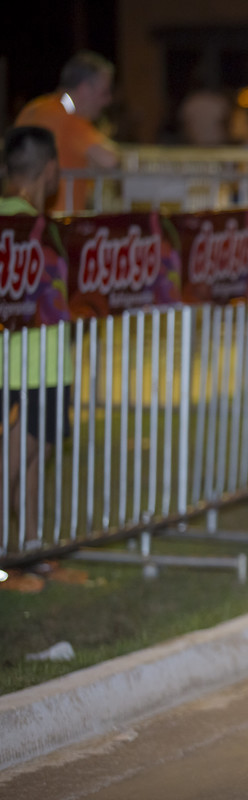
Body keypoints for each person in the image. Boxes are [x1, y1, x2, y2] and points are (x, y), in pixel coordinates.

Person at [0, 126, 80, 593]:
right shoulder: (38, 231)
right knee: (15, 461)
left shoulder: (26, 225)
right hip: (35, 365)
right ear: (50, 169)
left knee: (32, 461)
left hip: (26, 363)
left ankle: (32, 552)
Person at [15, 50, 120, 214]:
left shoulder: (33, 108)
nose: (108, 101)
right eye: (104, 93)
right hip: (60, 222)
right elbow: (110, 161)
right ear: (84, 89)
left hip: (20, 217)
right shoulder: (68, 119)